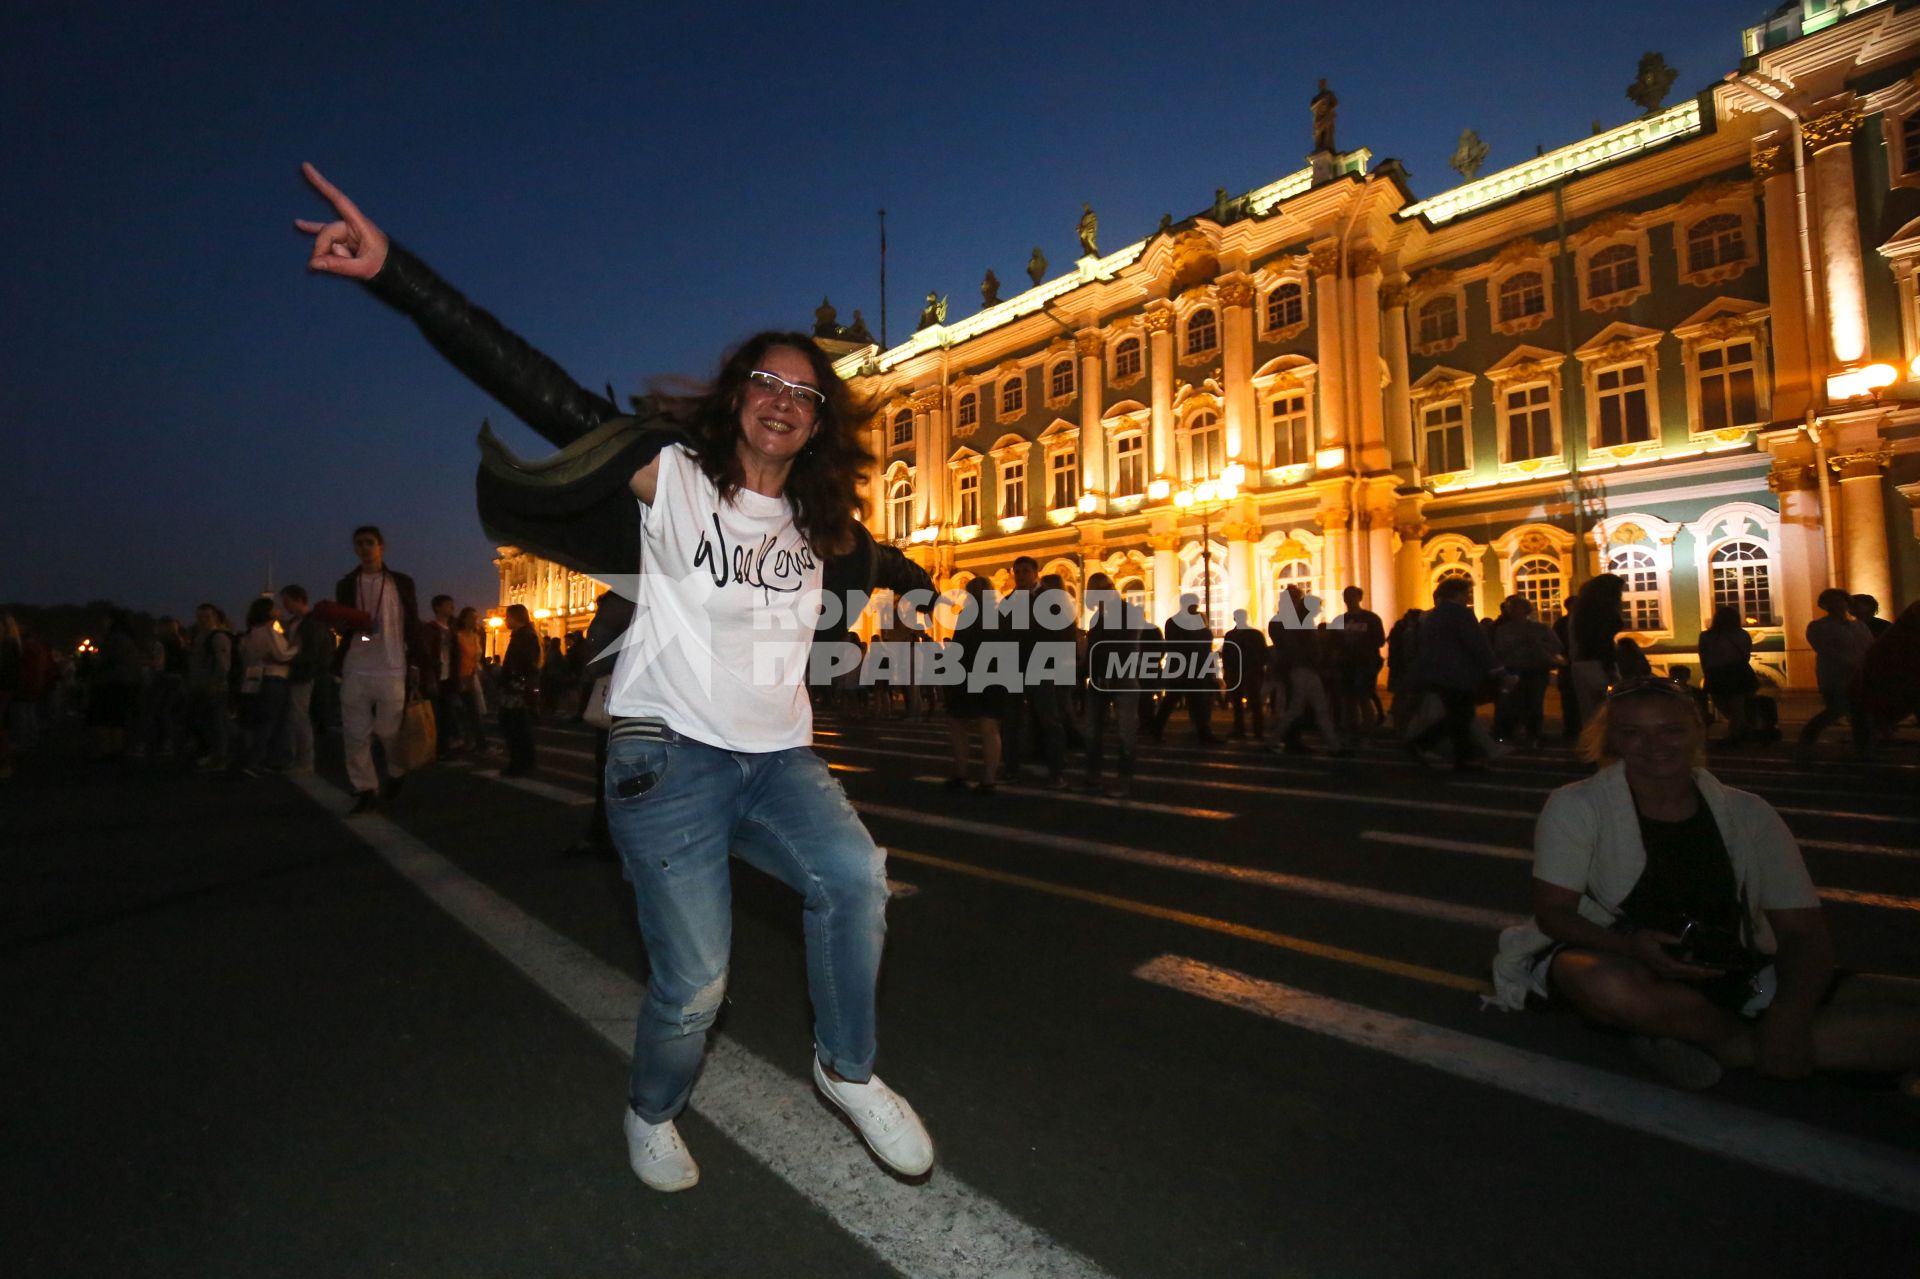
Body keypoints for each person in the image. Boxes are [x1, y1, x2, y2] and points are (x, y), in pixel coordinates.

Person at [296, 163, 936, 1192]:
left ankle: (846, 1069)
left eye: (803, 394)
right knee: (697, 985)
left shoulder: (822, 530)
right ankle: (652, 1107)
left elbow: (886, 565)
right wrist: (397, 277)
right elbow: (538, 387)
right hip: (665, 755)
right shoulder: (673, 478)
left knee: (858, 878)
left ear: (820, 423)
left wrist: (932, 596)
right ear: (739, 401)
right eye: (766, 384)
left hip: (778, 761)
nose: (782, 402)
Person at [1490, 678, 1920, 1092]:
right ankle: (1754, 1044)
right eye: (1632, 733)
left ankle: (1725, 1047)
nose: (1655, 746)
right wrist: (1633, 947)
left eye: (1672, 730)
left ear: (1699, 730)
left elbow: (1802, 931)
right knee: (1597, 980)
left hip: (1737, 965)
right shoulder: (1579, 805)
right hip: (1630, 959)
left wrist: (1790, 1013)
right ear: (1612, 741)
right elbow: (1553, 913)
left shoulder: (1747, 814)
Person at [334, 525, 424, 812]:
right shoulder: (347, 584)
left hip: (392, 665)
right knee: (355, 733)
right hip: (357, 665)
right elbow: (351, 630)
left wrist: (418, 663)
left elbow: (412, 623)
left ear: (381, 546)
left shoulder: (401, 582)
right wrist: (345, 625)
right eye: (358, 543)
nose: (364, 548)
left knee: (389, 729)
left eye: (369, 542)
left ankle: (396, 771)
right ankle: (365, 788)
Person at [1404, 577, 1506, 771]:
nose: (1468, 597)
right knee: (1461, 716)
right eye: (1466, 593)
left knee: (1459, 715)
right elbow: (1477, 644)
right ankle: (1424, 743)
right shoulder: (1461, 613)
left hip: (1437, 673)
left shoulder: (1433, 616)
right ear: (1457, 594)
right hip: (1458, 673)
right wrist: (1497, 669)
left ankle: (1462, 757)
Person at [1081, 572, 1146, 795]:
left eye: (1101, 589)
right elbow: (1092, 651)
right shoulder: (1096, 618)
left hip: (1122, 677)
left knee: (1125, 731)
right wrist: (1082, 672)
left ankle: (1124, 779)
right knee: (1092, 731)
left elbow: (1127, 646)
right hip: (1098, 679)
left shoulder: (1130, 612)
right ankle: (1093, 774)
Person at [944, 576, 1007, 792]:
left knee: (958, 723)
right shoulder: (1000, 615)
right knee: (988, 726)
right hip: (993, 675)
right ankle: (988, 778)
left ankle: (962, 773)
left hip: (969, 674)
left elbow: (958, 647)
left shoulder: (967, 614)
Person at [1797, 587, 1873, 759]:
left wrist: (1865, 665)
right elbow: (1825, 649)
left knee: (1860, 713)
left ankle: (1863, 749)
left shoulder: (1859, 626)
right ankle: (1806, 739)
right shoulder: (1818, 626)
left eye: (1840, 600)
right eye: (1831, 601)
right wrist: (1851, 662)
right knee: (1836, 710)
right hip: (1834, 676)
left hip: (1858, 676)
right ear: (1824, 605)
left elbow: (1869, 646)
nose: (1836, 604)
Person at [238, 596, 300, 776]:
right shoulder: (268, 632)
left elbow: (246, 658)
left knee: (260, 722)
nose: (279, 610)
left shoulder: (250, 634)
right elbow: (282, 655)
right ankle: (259, 760)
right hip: (273, 679)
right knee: (273, 722)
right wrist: (297, 647)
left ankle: (256, 759)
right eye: (275, 608)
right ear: (269, 612)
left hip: (255, 680)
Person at [1491, 594, 1560, 749]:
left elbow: (1557, 646)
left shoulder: (1539, 628)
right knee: (1515, 703)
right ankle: (1515, 733)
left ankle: (1533, 734)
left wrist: (1538, 646)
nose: (1515, 611)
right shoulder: (1503, 629)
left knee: (1534, 703)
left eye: (1518, 608)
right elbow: (1498, 650)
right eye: (1512, 608)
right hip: (1514, 669)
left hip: (1535, 669)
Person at [1150, 593, 1219, 744]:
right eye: (1193, 605)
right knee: (1172, 701)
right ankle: (1156, 729)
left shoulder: (1197, 620)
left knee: (1196, 702)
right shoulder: (1174, 622)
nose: (1196, 608)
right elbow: (1175, 645)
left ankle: (1203, 733)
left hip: (1195, 667)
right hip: (1181, 668)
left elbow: (1205, 642)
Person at [280, 585, 330, 773]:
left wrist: (284, 658)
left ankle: (305, 760)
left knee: (299, 717)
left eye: (287, 601)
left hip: (303, 674)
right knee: (294, 716)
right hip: (296, 672)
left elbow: (312, 652)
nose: (285, 606)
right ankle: (296, 757)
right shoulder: (297, 621)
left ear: (299, 599)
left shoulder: (311, 622)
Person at [1567, 573, 1625, 727]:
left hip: (1581, 663)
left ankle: (1593, 744)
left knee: (1589, 711)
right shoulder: (1602, 611)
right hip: (1598, 664)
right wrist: (1610, 670)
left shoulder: (1581, 611)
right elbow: (1601, 643)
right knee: (1606, 709)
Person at [1696, 605, 1755, 746]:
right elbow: (1746, 654)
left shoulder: (1706, 636)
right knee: (1737, 706)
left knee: (1722, 704)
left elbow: (1703, 657)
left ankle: (1736, 733)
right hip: (1739, 672)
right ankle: (1741, 731)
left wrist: (1707, 673)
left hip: (1717, 674)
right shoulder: (1742, 634)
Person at [1330, 586, 1385, 734]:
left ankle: (1368, 729)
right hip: (1346, 663)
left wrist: (1359, 642)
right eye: (1346, 596)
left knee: (1363, 696)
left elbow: (1380, 640)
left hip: (1365, 662)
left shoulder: (1371, 618)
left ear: (1359, 598)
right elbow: (1333, 643)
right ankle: (1352, 729)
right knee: (1348, 699)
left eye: (1352, 596)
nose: (1349, 599)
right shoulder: (1340, 620)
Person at [186, 604, 234, 770]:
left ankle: (220, 757)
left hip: (213, 688)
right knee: (212, 723)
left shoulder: (217, 637)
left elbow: (223, 665)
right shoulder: (203, 636)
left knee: (216, 724)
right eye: (200, 617)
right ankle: (215, 755)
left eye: (206, 617)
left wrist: (215, 682)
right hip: (203, 686)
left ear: (215, 617)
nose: (202, 620)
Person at [496, 604, 541, 776]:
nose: (505, 620)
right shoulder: (524, 635)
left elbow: (524, 663)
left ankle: (519, 763)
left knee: (513, 725)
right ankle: (524, 762)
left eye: (507, 617)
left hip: (516, 687)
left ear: (515, 617)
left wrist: (513, 679)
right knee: (518, 725)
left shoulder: (524, 636)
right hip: (517, 685)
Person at [423, 594, 464, 757]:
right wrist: (429, 677)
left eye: (452, 605)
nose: (452, 608)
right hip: (435, 677)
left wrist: (457, 677)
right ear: (437, 608)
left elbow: (456, 656)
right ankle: (434, 748)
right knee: (435, 716)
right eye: (448, 605)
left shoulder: (452, 631)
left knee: (447, 715)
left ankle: (443, 748)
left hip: (449, 678)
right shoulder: (430, 629)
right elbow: (425, 654)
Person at [1222, 609, 1268, 740]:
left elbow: (1263, 653)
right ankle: (1242, 729)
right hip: (1238, 671)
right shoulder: (1234, 635)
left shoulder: (1249, 634)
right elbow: (1226, 654)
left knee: (1253, 702)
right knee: (1241, 702)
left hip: (1250, 671)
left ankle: (1256, 730)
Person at [452, 605, 489, 754]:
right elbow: (455, 658)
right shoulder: (457, 636)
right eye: (472, 618)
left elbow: (477, 658)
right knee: (463, 711)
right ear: (464, 619)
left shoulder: (476, 636)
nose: (475, 620)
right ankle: (472, 741)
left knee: (473, 711)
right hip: (459, 677)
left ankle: (474, 742)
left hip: (472, 677)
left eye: (476, 618)